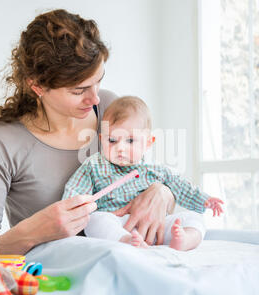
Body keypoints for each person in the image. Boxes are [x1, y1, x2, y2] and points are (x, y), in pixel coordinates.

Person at [0, 9, 176, 255]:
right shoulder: (2, 141)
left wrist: (162, 193)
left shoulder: (108, 109)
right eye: (78, 90)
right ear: (37, 85)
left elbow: (148, 175)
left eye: (98, 81)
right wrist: (35, 231)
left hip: (127, 261)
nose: (94, 98)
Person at [62, 96, 224, 251]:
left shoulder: (156, 170)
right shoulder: (95, 165)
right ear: (101, 138)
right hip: (117, 223)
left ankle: (185, 239)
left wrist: (205, 200)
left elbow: (181, 188)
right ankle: (126, 241)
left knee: (195, 219)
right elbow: (74, 192)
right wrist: (70, 211)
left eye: (130, 141)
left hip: (154, 225)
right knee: (95, 221)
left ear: (147, 143)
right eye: (112, 140)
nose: (120, 148)